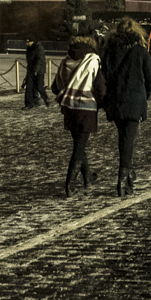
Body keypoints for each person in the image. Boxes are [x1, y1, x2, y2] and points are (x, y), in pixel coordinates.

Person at [99, 19, 151, 195]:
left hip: (115, 101)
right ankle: (123, 177)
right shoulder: (140, 51)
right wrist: (142, 96)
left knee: (123, 138)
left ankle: (129, 172)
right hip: (134, 101)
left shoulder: (109, 51)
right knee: (128, 139)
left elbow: (104, 77)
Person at [53, 38, 103, 197]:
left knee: (79, 144)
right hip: (86, 107)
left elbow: (55, 86)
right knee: (79, 147)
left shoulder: (65, 61)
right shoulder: (93, 60)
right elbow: (100, 87)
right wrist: (99, 102)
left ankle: (88, 177)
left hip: (68, 108)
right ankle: (70, 184)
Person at [23, 39, 51, 109]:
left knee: (39, 87)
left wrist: (36, 70)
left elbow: (40, 60)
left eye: (27, 42)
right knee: (29, 87)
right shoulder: (29, 48)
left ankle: (46, 99)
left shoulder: (39, 48)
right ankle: (29, 104)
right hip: (31, 70)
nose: (26, 44)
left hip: (39, 71)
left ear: (32, 41)